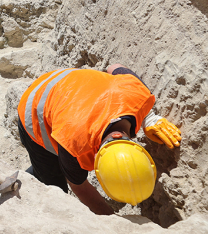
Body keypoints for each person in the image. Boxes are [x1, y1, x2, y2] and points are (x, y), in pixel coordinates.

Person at [17, 64, 181, 215]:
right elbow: (79, 186)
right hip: (35, 103)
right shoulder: (75, 146)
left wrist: (148, 117)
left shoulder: (138, 92)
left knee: (63, 165)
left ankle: (40, 169)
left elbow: (114, 67)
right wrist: (111, 220)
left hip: (69, 83)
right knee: (54, 186)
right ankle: (31, 180)